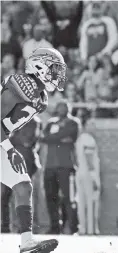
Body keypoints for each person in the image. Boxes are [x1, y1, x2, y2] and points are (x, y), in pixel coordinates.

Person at [0, 47, 66, 252]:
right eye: (54, 69)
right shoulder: (22, 85)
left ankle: (27, 241)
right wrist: (10, 149)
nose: (58, 75)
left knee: (23, 185)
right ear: (40, 66)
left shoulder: (40, 97)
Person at [40, 101, 80, 234]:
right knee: (51, 196)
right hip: (50, 165)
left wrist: (53, 137)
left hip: (66, 165)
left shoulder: (73, 122)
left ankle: (72, 227)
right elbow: (42, 137)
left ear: (69, 108)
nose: (62, 108)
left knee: (69, 197)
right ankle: (54, 226)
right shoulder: (51, 122)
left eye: (65, 106)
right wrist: (59, 138)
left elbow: (69, 136)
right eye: (59, 106)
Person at [1, 117, 42, 233]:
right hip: (8, 160)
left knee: (23, 194)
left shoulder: (33, 121)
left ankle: (25, 228)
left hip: (24, 161)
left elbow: (26, 141)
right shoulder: (10, 119)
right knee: (4, 195)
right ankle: (5, 226)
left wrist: (8, 139)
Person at [75, 113, 100, 235]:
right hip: (89, 174)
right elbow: (89, 158)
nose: (94, 126)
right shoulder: (89, 139)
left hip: (80, 171)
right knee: (91, 202)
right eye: (91, 124)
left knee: (81, 202)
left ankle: (83, 228)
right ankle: (91, 229)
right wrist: (94, 176)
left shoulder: (80, 139)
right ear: (85, 126)